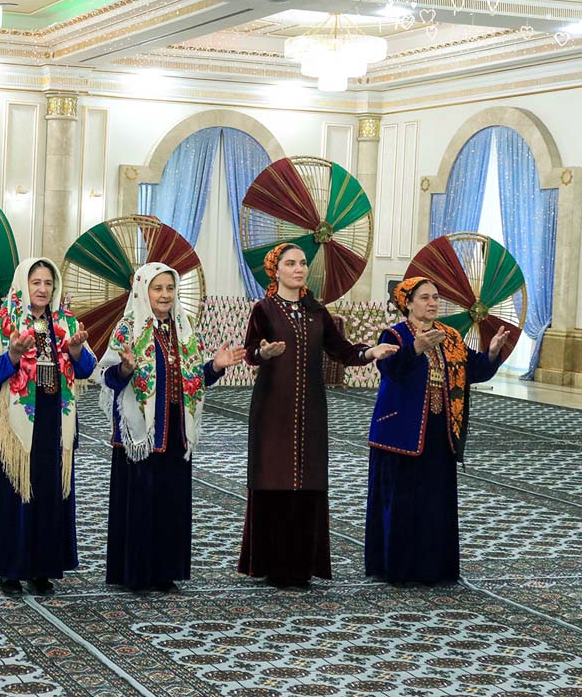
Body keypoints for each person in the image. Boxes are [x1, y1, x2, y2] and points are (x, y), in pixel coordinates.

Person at [239, 243, 398, 586]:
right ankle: (272, 565)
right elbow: (250, 352)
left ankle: (302, 566)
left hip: (311, 409)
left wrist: (371, 352)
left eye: (302, 263)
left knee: (307, 478)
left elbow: (341, 350)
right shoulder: (264, 310)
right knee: (274, 478)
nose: (299, 269)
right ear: (276, 270)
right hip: (272, 410)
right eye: (291, 263)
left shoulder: (317, 311)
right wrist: (264, 353)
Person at [97, 262, 246, 591]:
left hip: (177, 431)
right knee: (140, 501)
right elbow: (108, 378)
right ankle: (135, 574)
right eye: (158, 288)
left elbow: (195, 379)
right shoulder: (128, 328)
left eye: (170, 288)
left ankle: (165, 573)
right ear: (143, 291)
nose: (165, 295)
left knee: (171, 502)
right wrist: (125, 369)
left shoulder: (184, 327)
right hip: (140, 435)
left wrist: (215, 366)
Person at [365, 277, 508, 584]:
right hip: (399, 432)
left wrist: (492, 353)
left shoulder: (450, 336)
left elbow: (473, 369)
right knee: (401, 501)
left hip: (440, 433)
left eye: (435, 297)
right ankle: (398, 569)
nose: (432, 303)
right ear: (408, 303)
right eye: (424, 297)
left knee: (433, 502)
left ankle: (433, 569)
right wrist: (415, 348)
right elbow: (391, 371)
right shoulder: (395, 334)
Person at [0, 257, 96, 596]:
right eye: (36, 283)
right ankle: (10, 571)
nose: (42, 289)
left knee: (48, 496)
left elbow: (86, 369)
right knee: (13, 496)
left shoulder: (66, 323)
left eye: (48, 283)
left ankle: (43, 569)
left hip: (54, 422)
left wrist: (76, 351)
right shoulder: (5, 324)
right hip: (14, 428)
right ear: (22, 286)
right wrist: (13, 356)